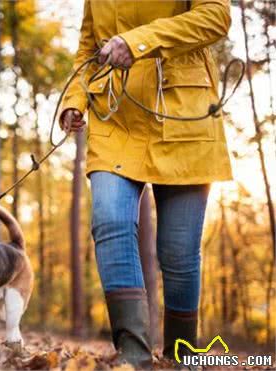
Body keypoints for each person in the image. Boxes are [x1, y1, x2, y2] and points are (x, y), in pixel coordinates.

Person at [59, 0, 232, 368]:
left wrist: (137, 42)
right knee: (110, 221)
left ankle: (181, 357)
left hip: (183, 112)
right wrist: (75, 100)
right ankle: (133, 356)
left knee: (179, 252)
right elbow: (88, 48)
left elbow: (217, 16)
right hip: (115, 115)